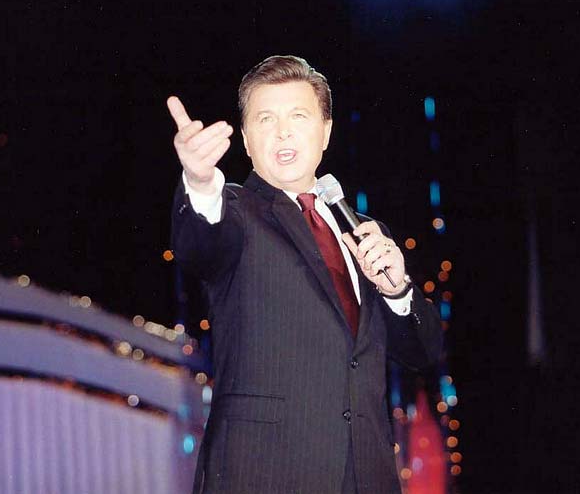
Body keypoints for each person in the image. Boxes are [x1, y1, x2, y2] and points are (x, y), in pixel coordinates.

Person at [168, 55, 442, 494]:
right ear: (246, 140)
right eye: (266, 119)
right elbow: (200, 244)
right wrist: (199, 183)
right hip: (264, 475)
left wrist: (398, 292)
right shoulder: (235, 212)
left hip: (366, 476)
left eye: (298, 116)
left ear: (326, 132)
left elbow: (423, 351)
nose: (283, 131)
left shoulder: (365, 232)